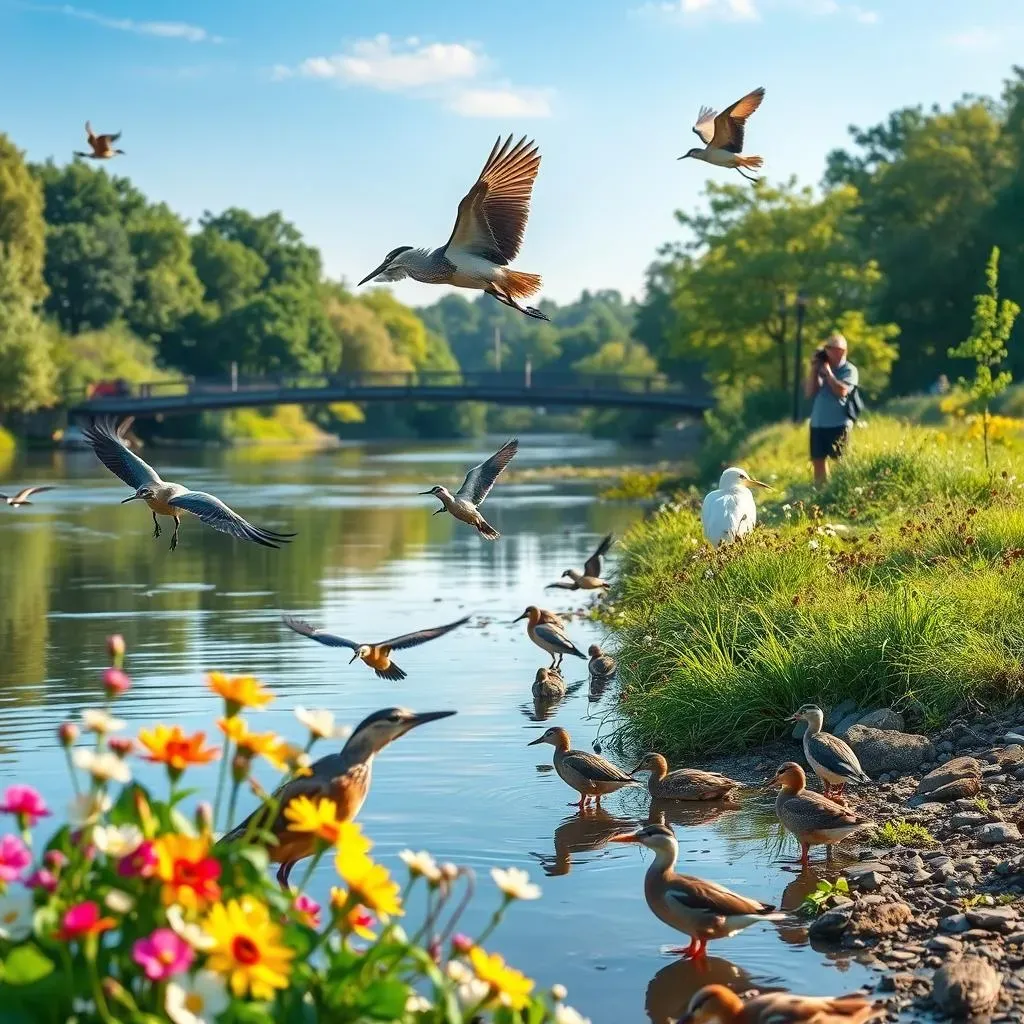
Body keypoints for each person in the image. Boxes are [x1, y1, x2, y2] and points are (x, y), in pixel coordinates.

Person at [805, 332, 858, 487]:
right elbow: (809, 392)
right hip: (818, 424)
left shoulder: (849, 370)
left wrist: (828, 373)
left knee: (840, 461)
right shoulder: (820, 368)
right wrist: (814, 370)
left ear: (842, 351)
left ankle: (840, 489)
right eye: (826, 347)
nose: (827, 351)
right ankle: (821, 493)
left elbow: (841, 391)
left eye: (831, 348)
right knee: (818, 460)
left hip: (839, 424)